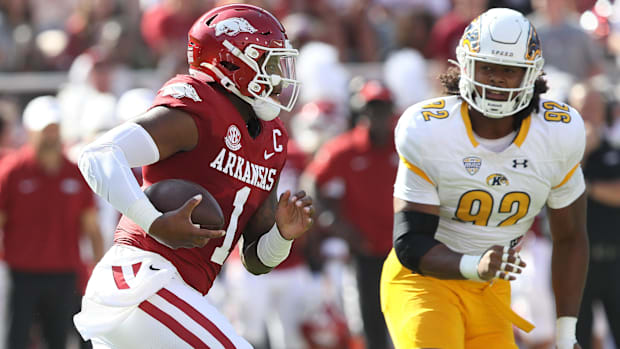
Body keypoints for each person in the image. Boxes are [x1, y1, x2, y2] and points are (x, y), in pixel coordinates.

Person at [73, 4, 313, 349]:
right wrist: (153, 222)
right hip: (141, 279)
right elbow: (97, 155)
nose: (278, 77)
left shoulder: (272, 139)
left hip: (179, 292)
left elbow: (255, 260)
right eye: (268, 62)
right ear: (231, 60)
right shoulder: (200, 107)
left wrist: (283, 236)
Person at [380, 8, 588, 349]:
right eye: (486, 67)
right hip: (424, 280)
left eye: (510, 70)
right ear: (465, 65)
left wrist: (566, 336)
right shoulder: (429, 131)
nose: (497, 79)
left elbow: (571, 237)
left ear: (531, 74)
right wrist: (473, 264)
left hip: (490, 287)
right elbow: (410, 242)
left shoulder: (558, 133)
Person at [0, 96, 104, 349]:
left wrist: (98, 274)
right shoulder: (12, 171)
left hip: (65, 275)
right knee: (17, 340)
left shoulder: (75, 173)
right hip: (22, 275)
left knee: (58, 341)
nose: (51, 136)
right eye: (46, 130)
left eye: (55, 129)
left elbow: (91, 227)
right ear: (30, 131)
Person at [304, 80, 398, 349]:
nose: (376, 116)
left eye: (382, 109)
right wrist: (334, 224)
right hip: (366, 251)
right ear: (360, 111)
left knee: (408, 318)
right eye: (371, 109)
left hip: (403, 250)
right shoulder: (344, 148)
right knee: (371, 323)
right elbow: (311, 185)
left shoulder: (403, 144)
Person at [568, 82, 620, 349]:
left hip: (615, 260)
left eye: (594, 107)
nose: (589, 113)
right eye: (583, 107)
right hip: (575, 265)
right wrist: (582, 154)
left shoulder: (614, 149)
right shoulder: (561, 156)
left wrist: (586, 186)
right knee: (578, 339)